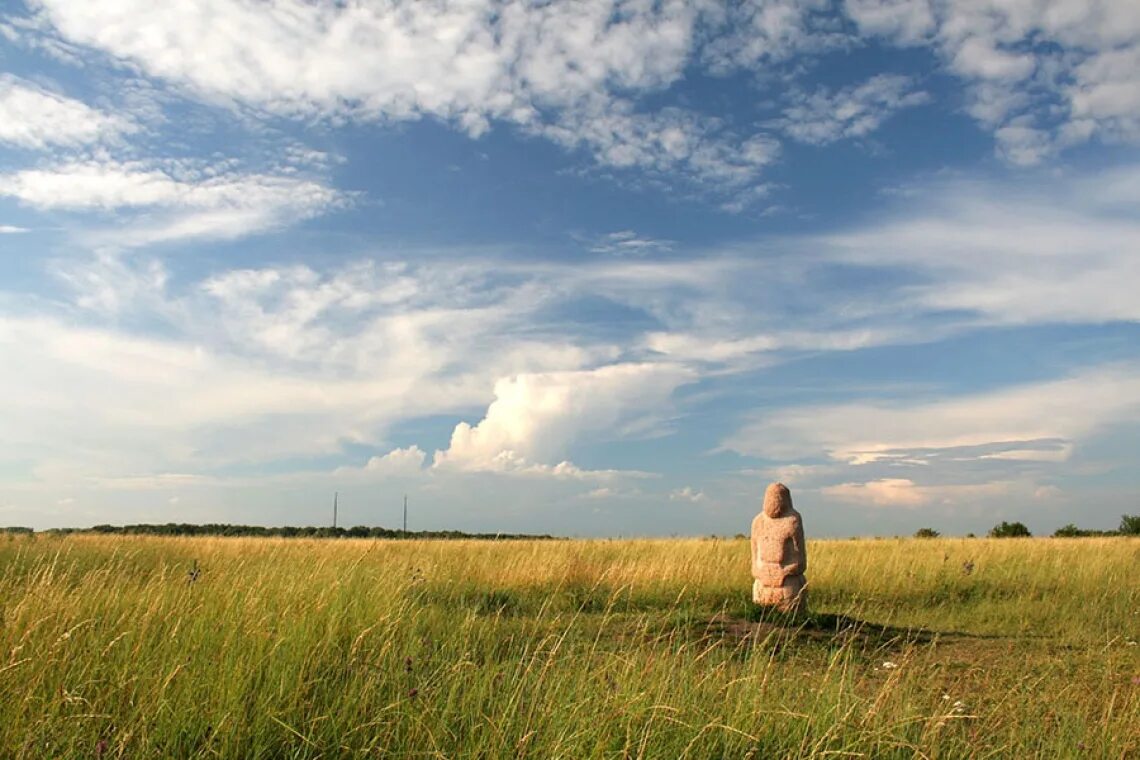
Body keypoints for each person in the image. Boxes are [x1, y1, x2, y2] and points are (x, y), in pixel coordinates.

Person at [750, 482, 807, 613]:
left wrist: (784, 572)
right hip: (763, 582)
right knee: (761, 607)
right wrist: (761, 573)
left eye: (778, 496)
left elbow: (800, 561)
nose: (774, 501)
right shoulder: (758, 522)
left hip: (786, 582)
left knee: (790, 596)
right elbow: (754, 560)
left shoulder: (793, 521)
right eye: (770, 496)